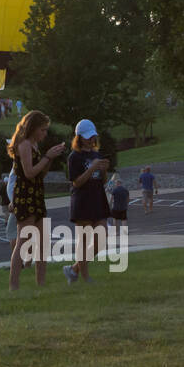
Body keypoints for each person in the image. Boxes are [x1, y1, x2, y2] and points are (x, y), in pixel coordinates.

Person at [7, 110, 67, 291]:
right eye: (42, 130)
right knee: (23, 241)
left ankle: (41, 284)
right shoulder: (24, 144)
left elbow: (40, 174)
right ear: (33, 128)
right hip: (25, 196)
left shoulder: (34, 145)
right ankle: (13, 286)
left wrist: (50, 159)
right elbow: (29, 173)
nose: (45, 133)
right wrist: (47, 156)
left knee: (42, 242)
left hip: (36, 194)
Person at [65, 119, 110, 284]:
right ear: (79, 138)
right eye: (87, 137)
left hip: (98, 199)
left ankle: (74, 269)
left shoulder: (96, 155)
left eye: (93, 137)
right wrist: (92, 168)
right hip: (82, 201)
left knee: (102, 238)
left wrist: (103, 170)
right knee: (83, 242)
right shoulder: (74, 157)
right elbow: (76, 182)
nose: (91, 140)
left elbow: (102, 180)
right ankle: (85, 277)